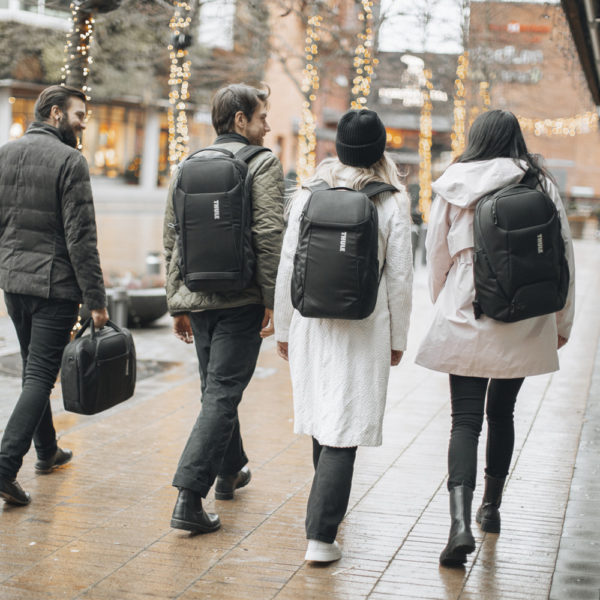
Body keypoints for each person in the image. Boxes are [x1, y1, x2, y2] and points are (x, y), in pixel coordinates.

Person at [415, 109, 575, 567]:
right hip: (525, 314)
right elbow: (563, 256)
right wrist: (561, 322)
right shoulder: (538, 183)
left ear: (476, 138)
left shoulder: (453, 182)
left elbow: (437, 254)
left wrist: (443, 303)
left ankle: (458, 523)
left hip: (467, 308)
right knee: (502, 413)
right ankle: (493, 508)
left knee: (464, 422)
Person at [274, 109, 413, 563]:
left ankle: (326, 510)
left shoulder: (309, 193)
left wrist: (284, 325)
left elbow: (289, 264)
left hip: (312, 322)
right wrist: (398, 337)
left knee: (323, 417)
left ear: (338, 148)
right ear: (379, 151)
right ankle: (320, 534)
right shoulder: (391, 200)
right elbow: (400, 278)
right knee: (344, 425)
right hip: (365, 325)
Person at [164, 83, 284, 532]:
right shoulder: (263, 163)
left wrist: (177, 300)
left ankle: (229, 471)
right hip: (240, 299)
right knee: (222, 393)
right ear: (240, 120)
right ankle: (189, 498)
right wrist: (273, 300)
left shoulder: (189, 165)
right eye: (261, 117)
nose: (267, 125)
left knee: (214, 389)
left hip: (198, 297)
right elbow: (269, 233)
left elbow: (172, 234)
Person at [0, 84, 109, 506]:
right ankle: (6, 465)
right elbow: (81, 237)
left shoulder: (6, 154)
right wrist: (96, 300)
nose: (85, 122)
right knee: (41, 377)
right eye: (79, 114)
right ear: (55, 113)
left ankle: (47, 451)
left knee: (33, 368)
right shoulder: (70, 161)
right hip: (53, 287)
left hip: (15, 284)